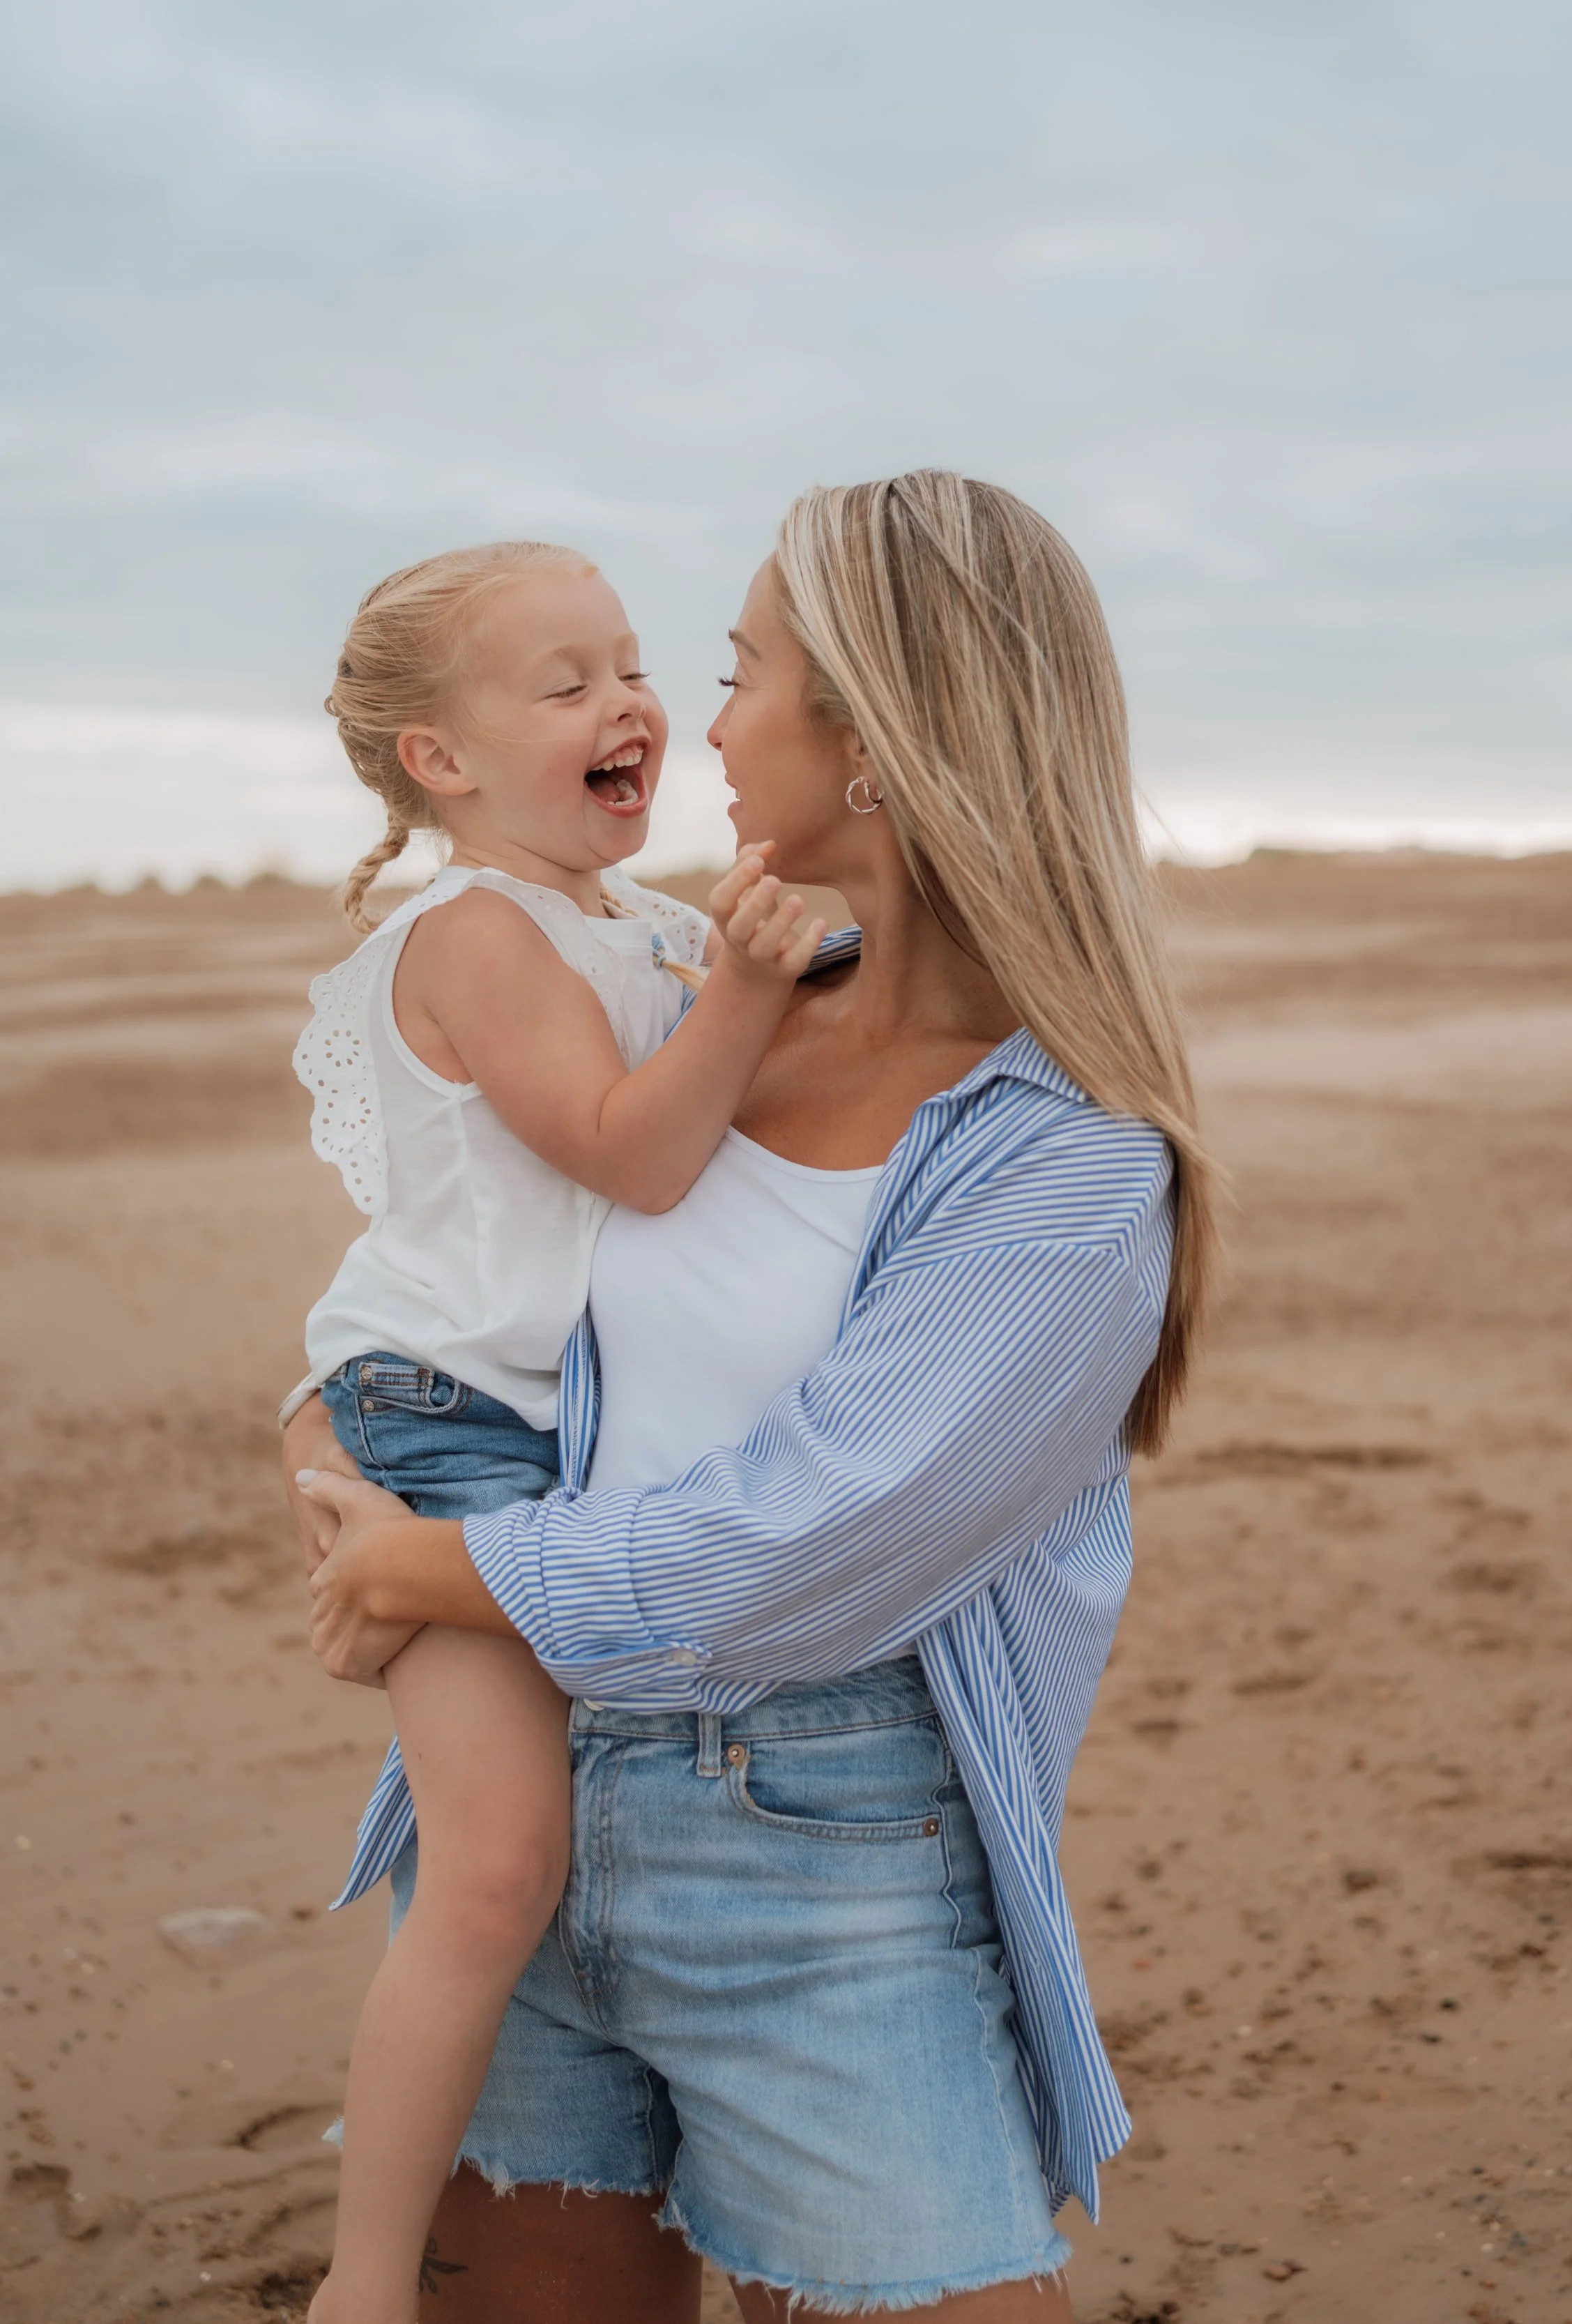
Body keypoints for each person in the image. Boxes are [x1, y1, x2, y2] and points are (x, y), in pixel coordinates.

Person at [285, 471, 1216, 2322]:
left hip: (820, 1862)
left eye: (734, 671)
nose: (696, 719)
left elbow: (819, 1533)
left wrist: (435, 1576)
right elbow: (483, 1269)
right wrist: (327, 1431)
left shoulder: (1065, 1156)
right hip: (522, 1819)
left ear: (873, 733)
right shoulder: (695, 998)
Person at [289, 539, 825, 2324]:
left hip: (550, 1433)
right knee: (498, 1855)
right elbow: (633, 1146)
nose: (632, 704)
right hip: (443, 1427)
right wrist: (749, 991)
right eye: (566, 682)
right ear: (439, 762)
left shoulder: (642, 925)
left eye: (635, 665)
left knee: (563, 1836)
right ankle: (363, 2286)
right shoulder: (474, 931)